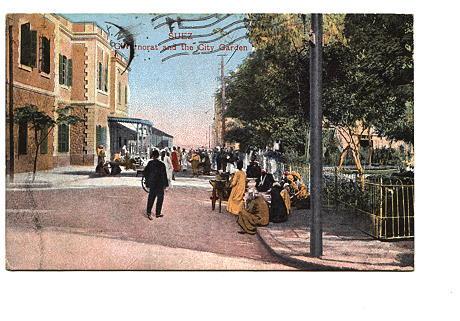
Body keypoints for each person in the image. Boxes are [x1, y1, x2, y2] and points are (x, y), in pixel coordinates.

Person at [144, 149, 169, 219]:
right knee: (160, 199)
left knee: (151, 198)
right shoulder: (162, 164)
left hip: (152, 184)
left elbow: (145, 173)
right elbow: (164, 175)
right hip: (160, 184)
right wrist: (166, 185)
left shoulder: (150, 163)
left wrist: (147, 182)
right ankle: (158, 213)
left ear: (153, 156)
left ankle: (148, 212)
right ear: (158, 156)